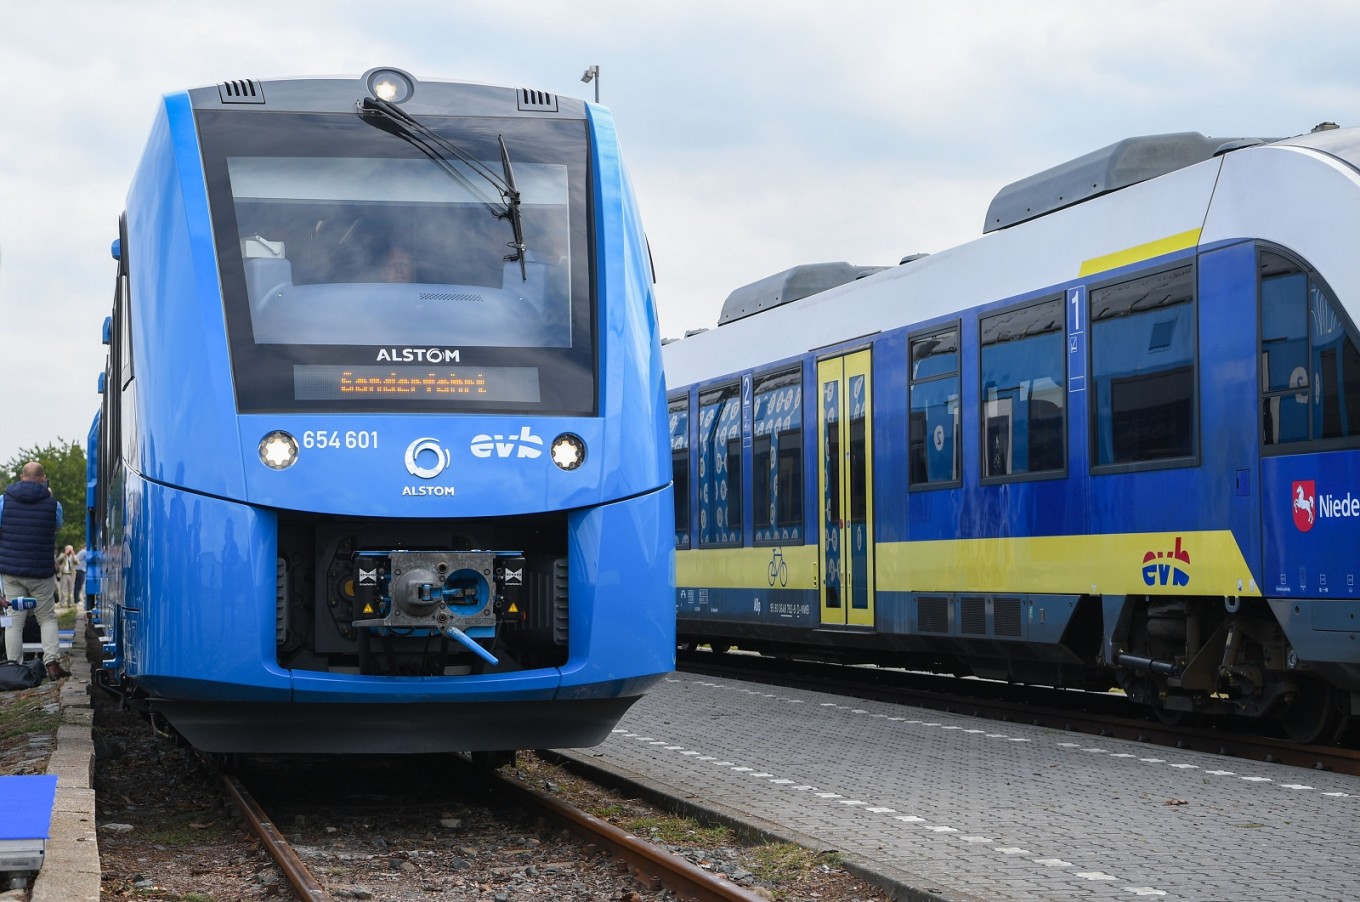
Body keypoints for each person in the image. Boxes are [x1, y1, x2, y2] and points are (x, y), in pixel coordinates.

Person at [0, 462, 69, 679]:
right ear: (43, 478)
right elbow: (56, 526)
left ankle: (14, 666)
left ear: (21, 476)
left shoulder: (4, 500)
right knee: (46, 618)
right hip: (40, 572)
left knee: (14, 619)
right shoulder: (53, 503)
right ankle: (52, 665)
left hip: (12, 572)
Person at [74, 545, 87, 610]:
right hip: (81, 570)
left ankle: (78, 600)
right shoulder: (84, 552)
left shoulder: (82, 552)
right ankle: (77, 601)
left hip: (81, 570)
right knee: (78, 586)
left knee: (80, 586)